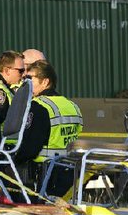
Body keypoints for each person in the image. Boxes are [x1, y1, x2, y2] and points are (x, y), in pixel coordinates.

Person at [16, 60, 83, 195]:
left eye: (30, 79)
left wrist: (13, 159)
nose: (26, 83)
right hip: (71, 174)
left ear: (45, 82)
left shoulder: (38, 106)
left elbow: (31, 147)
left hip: (45, 175)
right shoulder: (73, 106)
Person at [0, 50, 25, 127]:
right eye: (20, 71)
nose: (23, 75)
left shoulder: (5, 87)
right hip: (2, 139)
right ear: (7, 71)